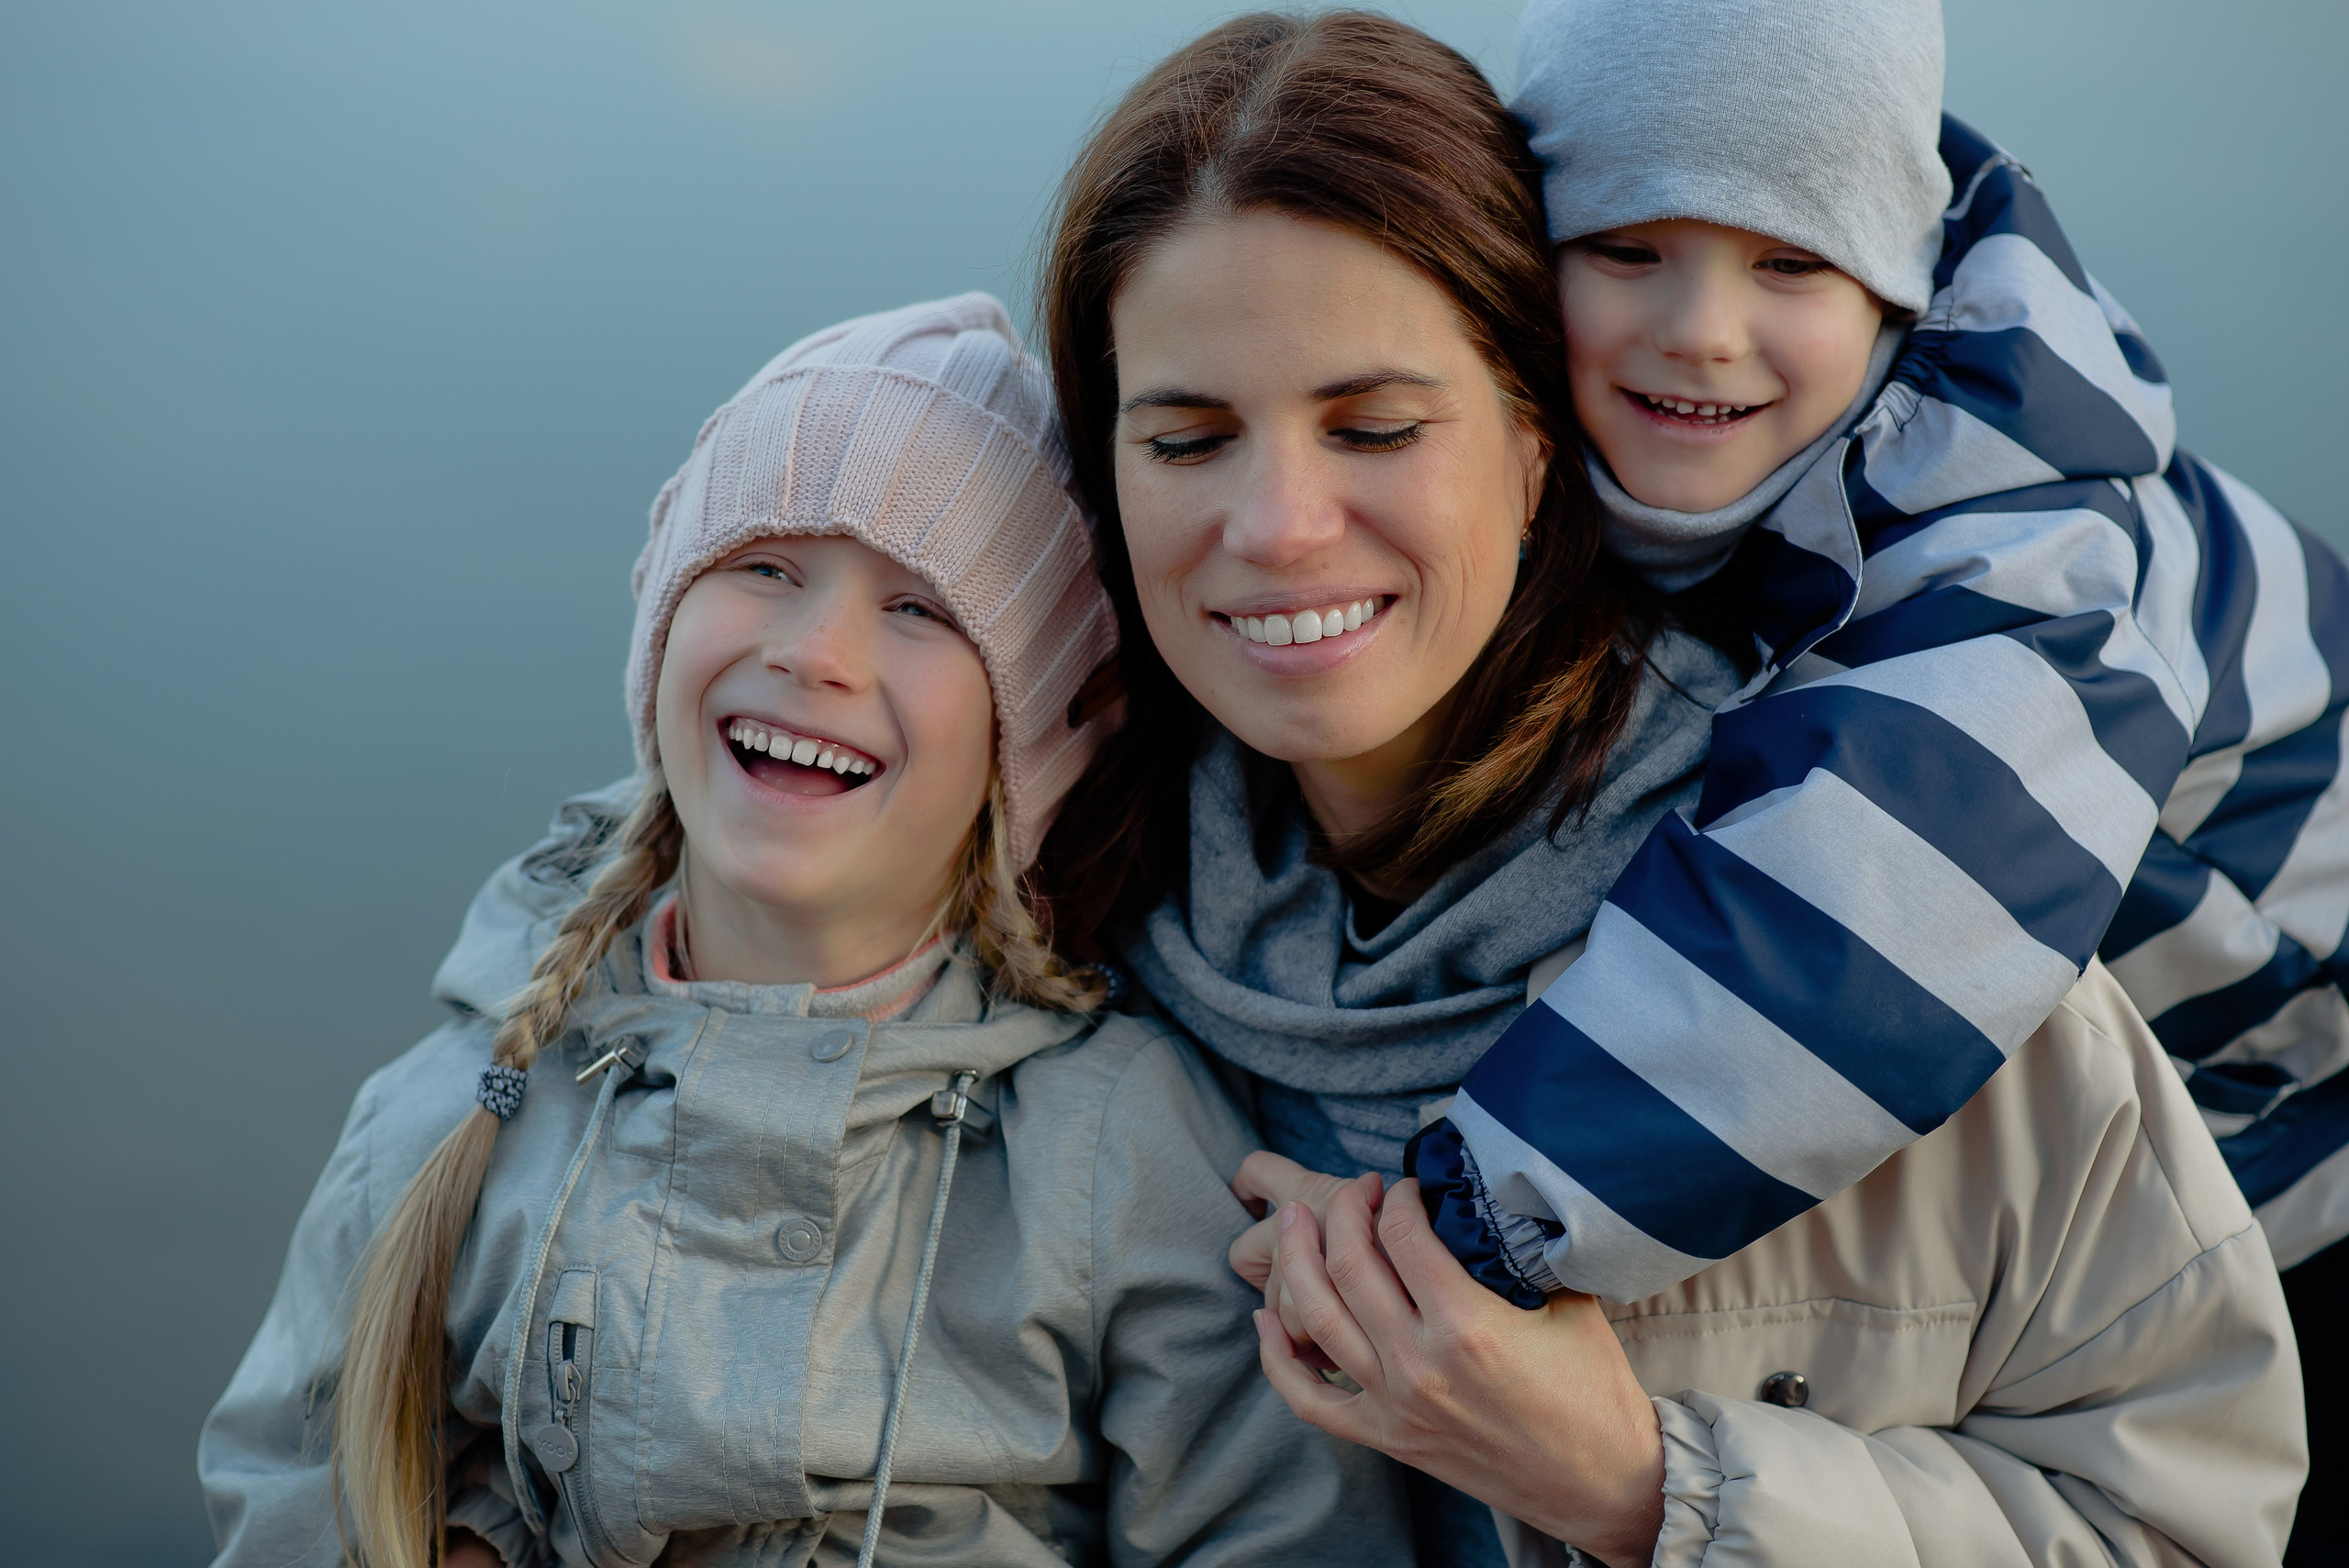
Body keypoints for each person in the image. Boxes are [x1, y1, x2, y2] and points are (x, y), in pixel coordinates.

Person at [1029, 10, 2307, 1565]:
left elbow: (2189, 1524)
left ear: (1535, 438)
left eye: (1375, 425)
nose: (1281, 523)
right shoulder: (1052, 941)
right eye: (1185, 437)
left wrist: (1645, 1485)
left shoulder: (1906, 875)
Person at [197, 295, 1409, 1568]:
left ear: (1033, 732)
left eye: (919, 610)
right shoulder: (457, 1108)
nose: (815, 650)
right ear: (661, 625)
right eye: (764, 568)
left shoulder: (1114, 1149)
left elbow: (1289, 1535)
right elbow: (290, 1482)